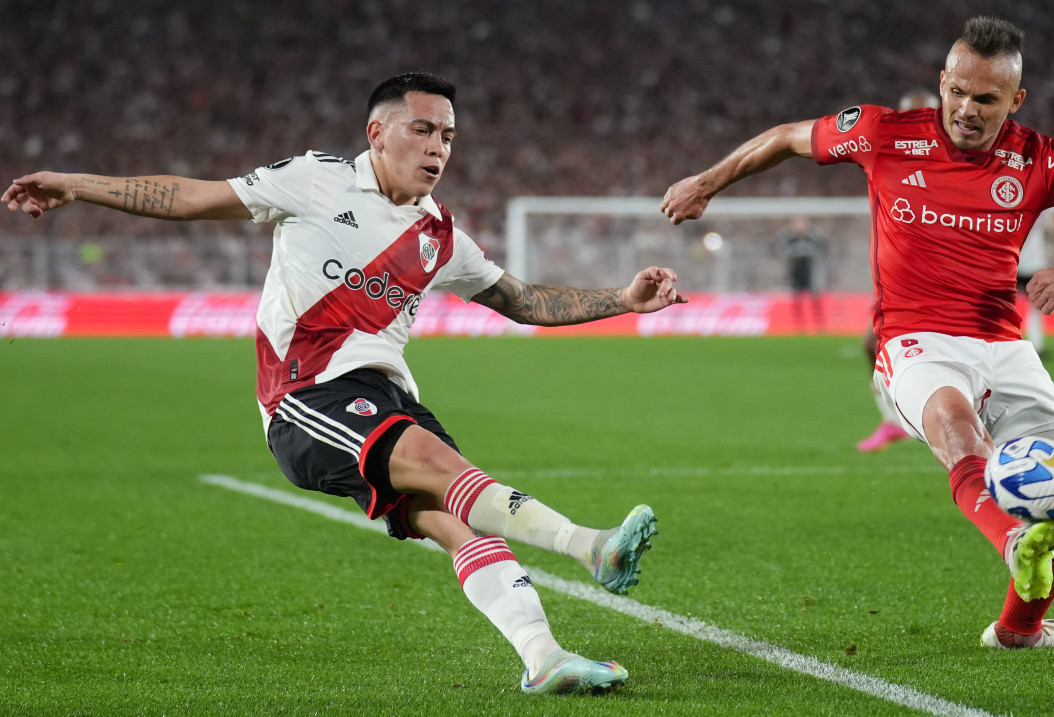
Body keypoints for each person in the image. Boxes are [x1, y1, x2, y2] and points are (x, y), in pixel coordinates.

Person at [4, 72, 689, 694]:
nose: (438, 147)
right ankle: (588, 545)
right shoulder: (317, 180)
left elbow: (523, 299)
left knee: (460, 520)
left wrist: (622, 300)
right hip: (305, 397)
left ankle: (543, 654)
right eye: (422, 129)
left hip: (387, 400)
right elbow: (194, 198)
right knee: (442, 465)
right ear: (377, 133)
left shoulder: (438, 234)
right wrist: (78, 183)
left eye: (448, 135)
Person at [661, 16, 1054, 649]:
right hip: (914, 339)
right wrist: (707, 183)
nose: (965, 109)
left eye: (985, 99)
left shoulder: (1043, 159)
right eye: (956, 91)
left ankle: (1019, 632)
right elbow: (789, 138)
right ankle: (1010, 536)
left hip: (1005, 344)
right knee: (958, 429)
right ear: (942, 83)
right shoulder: (883, 132)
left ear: (1016, 101)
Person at [857, 89, 937, 452]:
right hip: (901, 280)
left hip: (945, 279)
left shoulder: (956, 164)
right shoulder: (889, 158)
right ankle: (894, 420)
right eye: (910, 117)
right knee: (872, 346)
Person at [1015, 207, 1054, 360]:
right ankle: (1035, 345)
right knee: (1035, 306)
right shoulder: (1045, 209)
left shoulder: (1015, 208)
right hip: (1031, 262)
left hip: (1018, 261)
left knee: (1013, 306)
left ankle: (1014, 343)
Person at [777, 215, 826, 331]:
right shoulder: (789, 239)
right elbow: (779, 250)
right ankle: (799, 326)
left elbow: (824, 249)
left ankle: (819, 325)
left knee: (814, 299)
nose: (799, 226)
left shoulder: (813, 238)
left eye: (802, 223)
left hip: (809, 270)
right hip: (795, 271)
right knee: (797, 300)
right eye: (796, 223)